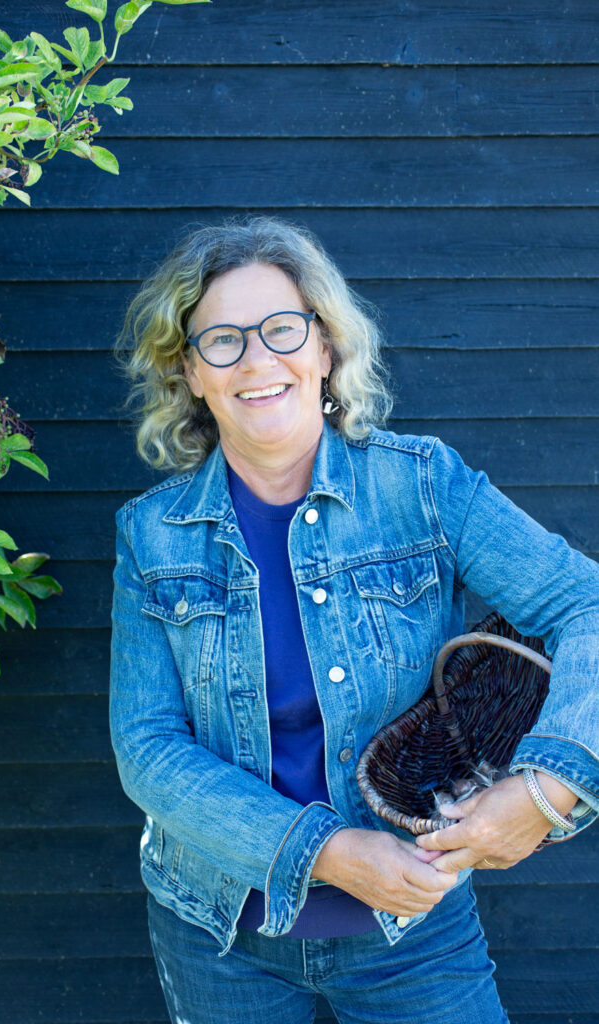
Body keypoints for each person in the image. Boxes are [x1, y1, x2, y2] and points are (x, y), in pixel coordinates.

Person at [109, 216, 598, 1024]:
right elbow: (148, 746)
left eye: (282, 329)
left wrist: (549, 786)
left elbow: (585, 604)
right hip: (218, 931)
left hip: (414, 928)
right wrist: (327, 853)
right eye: (221, 341)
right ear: (189, 371)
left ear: (326, 347)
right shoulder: (152, 534)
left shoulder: (423, 486)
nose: (256, 360)